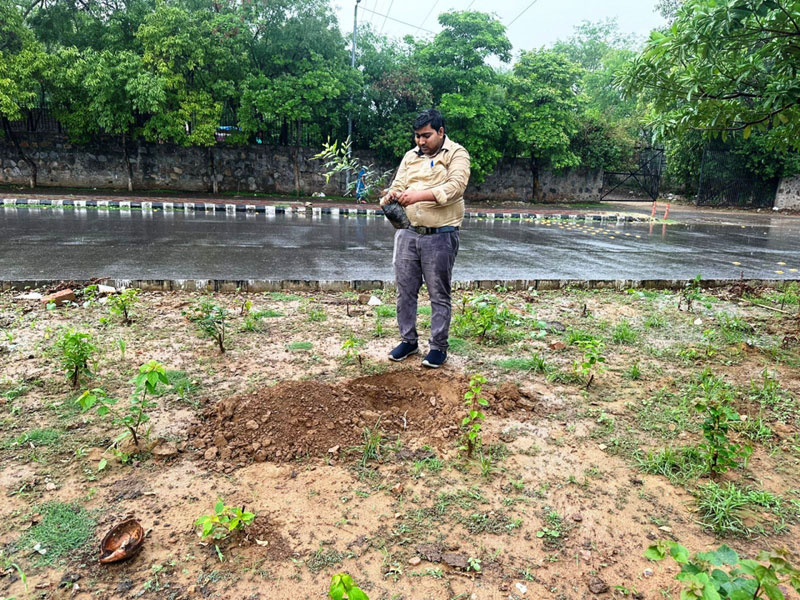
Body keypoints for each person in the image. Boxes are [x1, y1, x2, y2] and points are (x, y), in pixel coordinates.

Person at [380, 109, 471, 369]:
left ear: (441, 132)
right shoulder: (410, 156)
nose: (421, 141)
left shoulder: (456, 154)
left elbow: (455, 188)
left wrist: (418, 196)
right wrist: (392, 195)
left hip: (440, 235)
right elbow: (399, 183)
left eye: (426, 136)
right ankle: (408, 342)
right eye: (417, 136)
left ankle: (438, 347)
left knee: (438, 293)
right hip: (407, 233)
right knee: (405, 291)